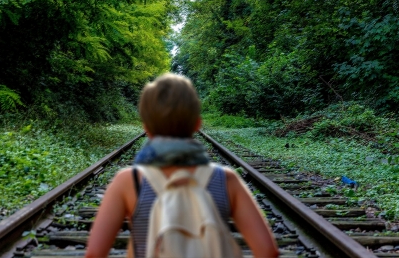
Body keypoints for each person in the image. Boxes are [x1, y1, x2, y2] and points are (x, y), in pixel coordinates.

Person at [85, 73, 279, 258]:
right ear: (197, 124)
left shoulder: (128, 181)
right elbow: (268, 251)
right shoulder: (226, 179)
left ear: (146, 129)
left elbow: (94, 253)